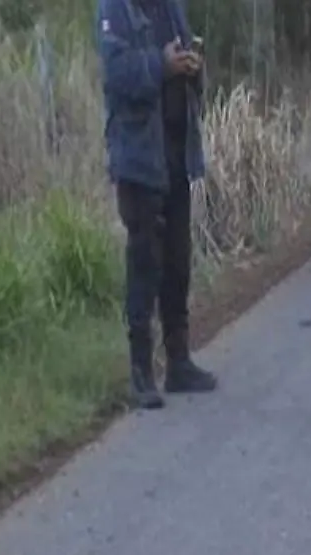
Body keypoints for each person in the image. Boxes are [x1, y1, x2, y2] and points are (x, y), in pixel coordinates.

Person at [97, 0, 218, 410]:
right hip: (137, 154)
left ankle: (179, 362)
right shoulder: (116, 7)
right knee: (145, 262)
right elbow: (115, 76)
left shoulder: (171, 5)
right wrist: (161, 64)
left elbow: (183, 60)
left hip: (176, 150)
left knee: (178, 261)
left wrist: (192, 65)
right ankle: (141, 372)